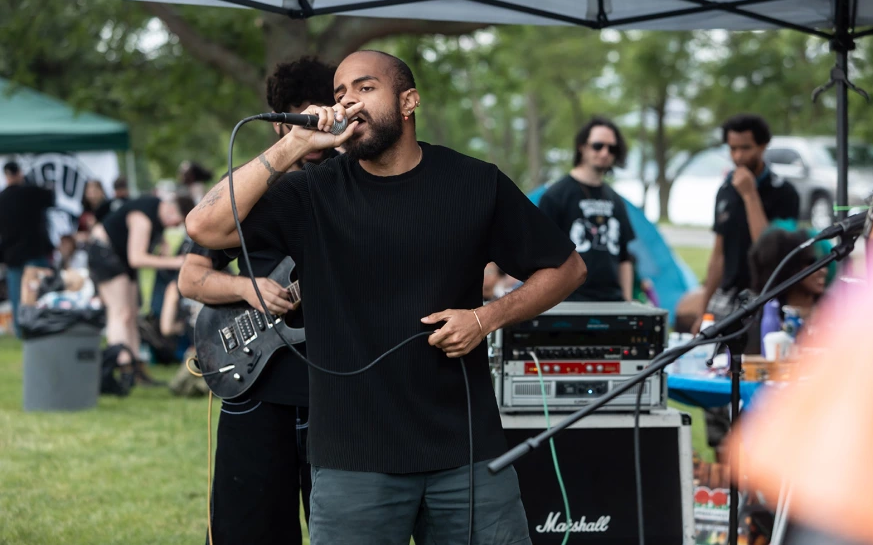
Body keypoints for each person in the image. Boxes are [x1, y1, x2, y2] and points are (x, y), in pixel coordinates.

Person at [185, 49, 586, 544]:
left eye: (365, 88)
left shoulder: (475, 182)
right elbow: (203, 225)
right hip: (353, 460)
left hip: (464, 451)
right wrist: (293, 145)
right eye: (340, 94)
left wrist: (487, 317)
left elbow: (567, 268)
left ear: (409, 100)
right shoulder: (312, 192)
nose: (348, 100)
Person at [177, 57, 339, 545]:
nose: (306, 126)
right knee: (247, 527)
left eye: (316, 112)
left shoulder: (360, 184)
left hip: (337, 395)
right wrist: (247, 288)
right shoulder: (252, 192)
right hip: (256, 385)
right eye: (293, 115)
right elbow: (191, 277)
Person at [693, 114, 800, 333]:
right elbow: (718, 254)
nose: (738, 156)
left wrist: (750, 195)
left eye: (746, 148)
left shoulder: (784, 192)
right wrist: (702, 312)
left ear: (763, 146)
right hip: (728, 294)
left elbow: (768, 252)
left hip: (764, 295)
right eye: (732, 149)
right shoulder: (726, 190)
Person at [86, 193, 192, 388]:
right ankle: (120, 366)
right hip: (104, 253)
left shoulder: (159, 217)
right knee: (121, 313)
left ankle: (135, 369)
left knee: (132, 314)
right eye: (178, 222)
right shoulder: (143, 217)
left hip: (121, 259)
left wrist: (161, 244)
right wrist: (175, 262)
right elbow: (137, 257)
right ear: (171, 210)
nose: (176, 227)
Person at [538, 116, 636, 302]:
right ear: (582, 147)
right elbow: (542, 257)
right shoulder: (555, 196)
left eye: (612, 148)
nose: (605, 152)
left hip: (612, 301)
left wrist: (627, 301)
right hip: (569, 301)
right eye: (598, 145)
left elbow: (624, 258)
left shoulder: (616, 200)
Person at [0, 161, 55, 336]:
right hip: (33, 250)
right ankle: (43, 323)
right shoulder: (31, 192)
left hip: (12, 254)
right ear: (19, 174)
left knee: (17, 296)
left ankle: (21, 329)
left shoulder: (2, 198)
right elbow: (50, 197)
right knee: (40, 290)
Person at [749, 228, 827, 349]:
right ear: (788, 269)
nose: (823, 270)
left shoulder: (836, 309)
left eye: (821, 263)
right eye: (810, 262)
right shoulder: (764, 320)